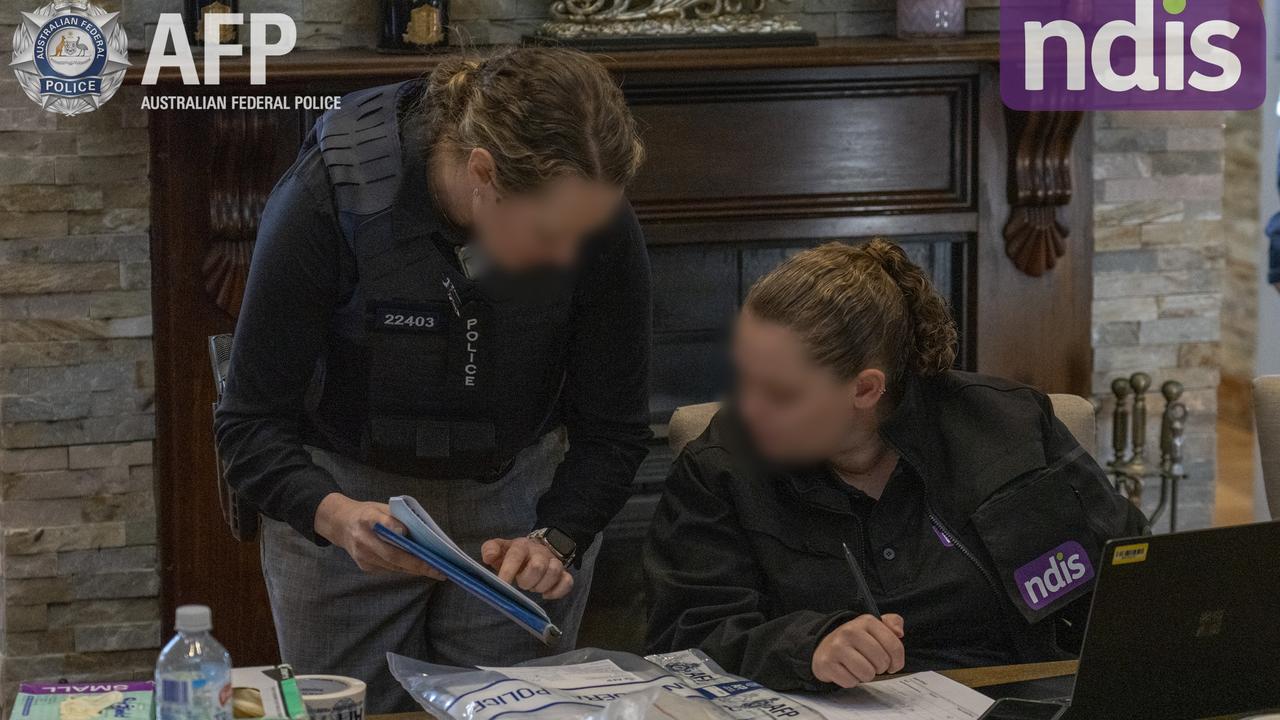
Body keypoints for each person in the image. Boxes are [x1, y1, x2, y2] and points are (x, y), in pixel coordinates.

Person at [214, 48, 651, 712]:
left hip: (518, 509)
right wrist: (336, 517)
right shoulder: (327, 196)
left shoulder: (591, 218)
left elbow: (614, 431)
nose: (571, 257)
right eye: (550, 234)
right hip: (345, 508)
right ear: (483, 172)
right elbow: (247, 427)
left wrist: (557, 538)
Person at [644, 240, 1147, 692]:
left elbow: (1124, 572)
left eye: (780, 393)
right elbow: (685, 634)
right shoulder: (721, 468)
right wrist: (809, 647)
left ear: (865, 388)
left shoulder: (1008, 426)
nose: (746, 408)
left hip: (1014, 695)